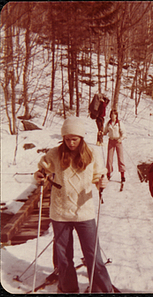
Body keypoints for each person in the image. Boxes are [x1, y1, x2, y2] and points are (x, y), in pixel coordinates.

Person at [33, 116, 113, 293]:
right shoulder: (55, 153)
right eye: (67, 139)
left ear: (82, 137)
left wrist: (102, 182)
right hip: (60, 212)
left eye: (74, 139)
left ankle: (101, 288)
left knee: (93, 254)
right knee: (63, 256)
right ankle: (68, 288)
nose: (70, 143)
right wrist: (38, 175)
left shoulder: (92, 153)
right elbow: (42, 169)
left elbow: (99, 176)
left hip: (84, 212)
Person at [103, 110, 126, 182]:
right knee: (109, 158)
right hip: (111, 141)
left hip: (118, 141)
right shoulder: (108, 123)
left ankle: (122, 175)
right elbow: (105, 131)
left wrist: (121, 139)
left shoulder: (119, 123)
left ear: (116, 115)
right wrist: (101, 133)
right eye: (112, 114)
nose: (113, 116)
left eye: (114, 114)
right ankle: (108, 174)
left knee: (120, 158)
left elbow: (124, 133)